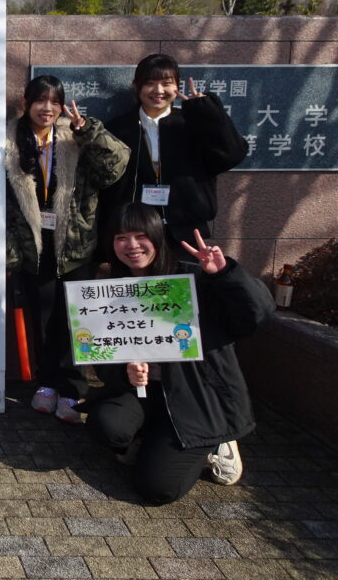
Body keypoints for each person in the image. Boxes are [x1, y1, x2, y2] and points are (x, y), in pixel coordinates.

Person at [85, 202, 273, 504]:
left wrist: (224, 274)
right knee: (107, 426)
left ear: (158, 237)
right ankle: (147, 438)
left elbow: (257, 314)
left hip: (195, 398)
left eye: (140, 236)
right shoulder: (111, 289)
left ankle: (217, 443)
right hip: (146, 395)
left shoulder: (196, 279)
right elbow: (101, 357)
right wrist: (125, 372)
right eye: (121, 238)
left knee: (158, 487)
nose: (131, 245)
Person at [5, 75, 129, 423]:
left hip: (75, 247)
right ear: (26, 102)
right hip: (32, 248)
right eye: (40, 100)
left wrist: (89, 131)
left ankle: (74, 388)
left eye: (54, 101)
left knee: (75, 320)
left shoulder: (76, 135)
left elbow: (116, 168)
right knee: (42, 318)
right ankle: (47, 383)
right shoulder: (9, 139)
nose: (47, 108)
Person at [102, 53, 248, 259]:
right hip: (134, 234)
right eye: (150, 83)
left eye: (166, 83)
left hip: (185, 232)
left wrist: (209, 114)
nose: (158, 90)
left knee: (182, 290)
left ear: (177, 85)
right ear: (136, 86)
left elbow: (231, 156)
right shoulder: (118, 128)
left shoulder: (192, 123)